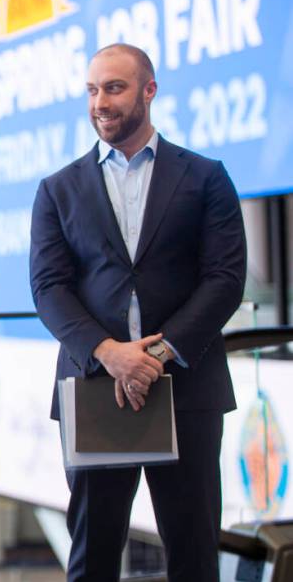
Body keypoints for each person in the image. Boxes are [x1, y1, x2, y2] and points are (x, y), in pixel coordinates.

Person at [29, 44, 246, 582]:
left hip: (187, 390)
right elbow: (48, 287)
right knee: (93, 557)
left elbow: (225, 279)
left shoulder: (206, 177)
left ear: (149, 91)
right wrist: (112, 355)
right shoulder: (57, 190)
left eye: (115, 88)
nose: (100, 102)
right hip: (96, 387)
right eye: (92, 90)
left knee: (195, 555)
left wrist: (157, 352)